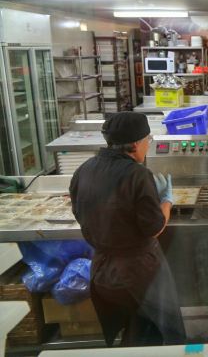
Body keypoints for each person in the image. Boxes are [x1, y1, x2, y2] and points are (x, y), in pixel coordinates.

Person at [69, 112, 185, 346]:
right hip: (138, 274)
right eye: (147, 140)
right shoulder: (138, 175)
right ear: (135, 144)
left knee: (132, 330)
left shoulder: (84, 170)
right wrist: (166, 201)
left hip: (102, 271)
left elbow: (80, 212)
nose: (148, 145)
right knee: (155, 333)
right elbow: (154, 228)